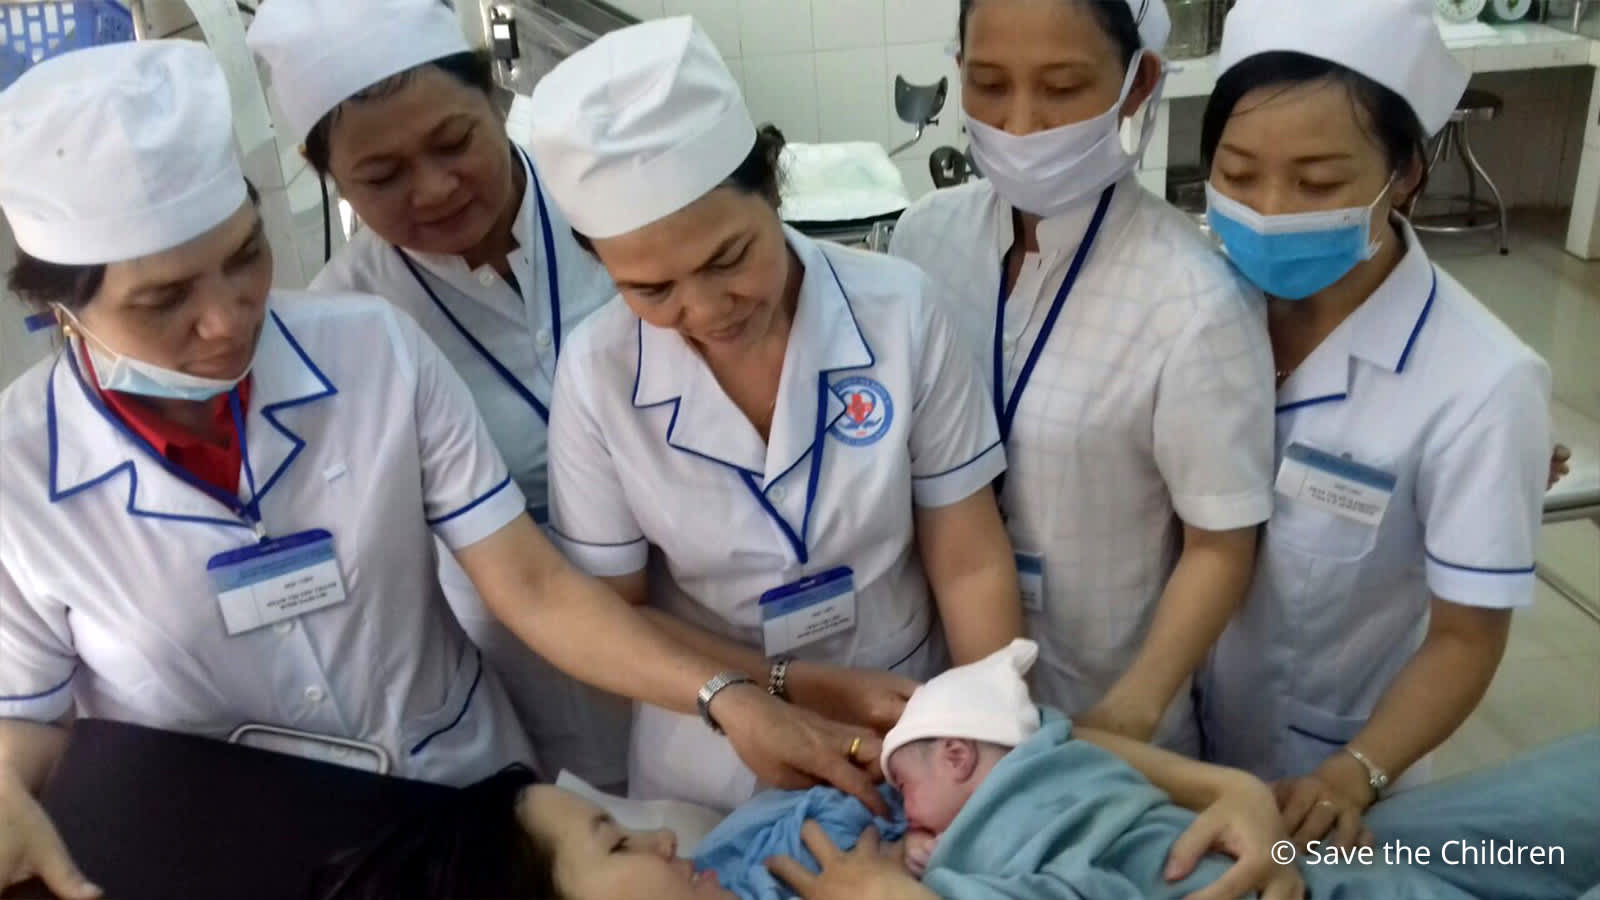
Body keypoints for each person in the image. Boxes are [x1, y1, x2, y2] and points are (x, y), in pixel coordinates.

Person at [0, 41, 900, 899]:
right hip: (235, 845)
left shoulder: (371, 351)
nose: (227, 319)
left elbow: (532, 586)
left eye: (245, 258)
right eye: (164, 300)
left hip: (464, 811)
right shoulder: (19, 472)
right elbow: (25, 714)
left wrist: (728, 696)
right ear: (59, 310)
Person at [525, 17, 1023, 810]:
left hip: (907, 718)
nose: (706, 308)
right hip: (713, 737)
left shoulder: (900, 314)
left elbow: (967, 557)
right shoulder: (596, 377)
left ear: (774, 189)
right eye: (651, 290)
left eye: (729, 258)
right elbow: (618, 616)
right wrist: (775, 690)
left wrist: (992, 733)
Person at [306, 657, 1600, 900]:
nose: (651, 837)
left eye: (618, 823)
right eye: (608, 848)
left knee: (1553, 813)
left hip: (1229, 847)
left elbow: (1007, 750)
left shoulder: (759, 847)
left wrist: (1221, 786)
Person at [1196, 0, 1554, 852]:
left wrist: (1356, 770)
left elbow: (1467, 636)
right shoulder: (1196, 305)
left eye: (1318, 183)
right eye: (1239, 174)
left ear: (1407, 176)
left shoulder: (1481, 383)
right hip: (1171, 746)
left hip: (1325, 776)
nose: (1271, 209)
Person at [246, 0, 630, 788]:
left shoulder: (619, 199)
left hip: (706, 611)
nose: (434, 191)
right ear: (329, 177)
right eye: (381, 178)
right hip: (525, 677)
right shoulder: (346, 327)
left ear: (495, 95)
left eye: (454, 142)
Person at [888, 0, 1276, 755]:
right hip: (944, 721)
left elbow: (1221, 545)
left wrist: (1129, 715)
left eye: (1062, 87)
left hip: (1106, 723)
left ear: (1139, 84)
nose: (1022, 123)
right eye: (989, 83)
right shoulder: (925, 241)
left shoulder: (1193, 300)